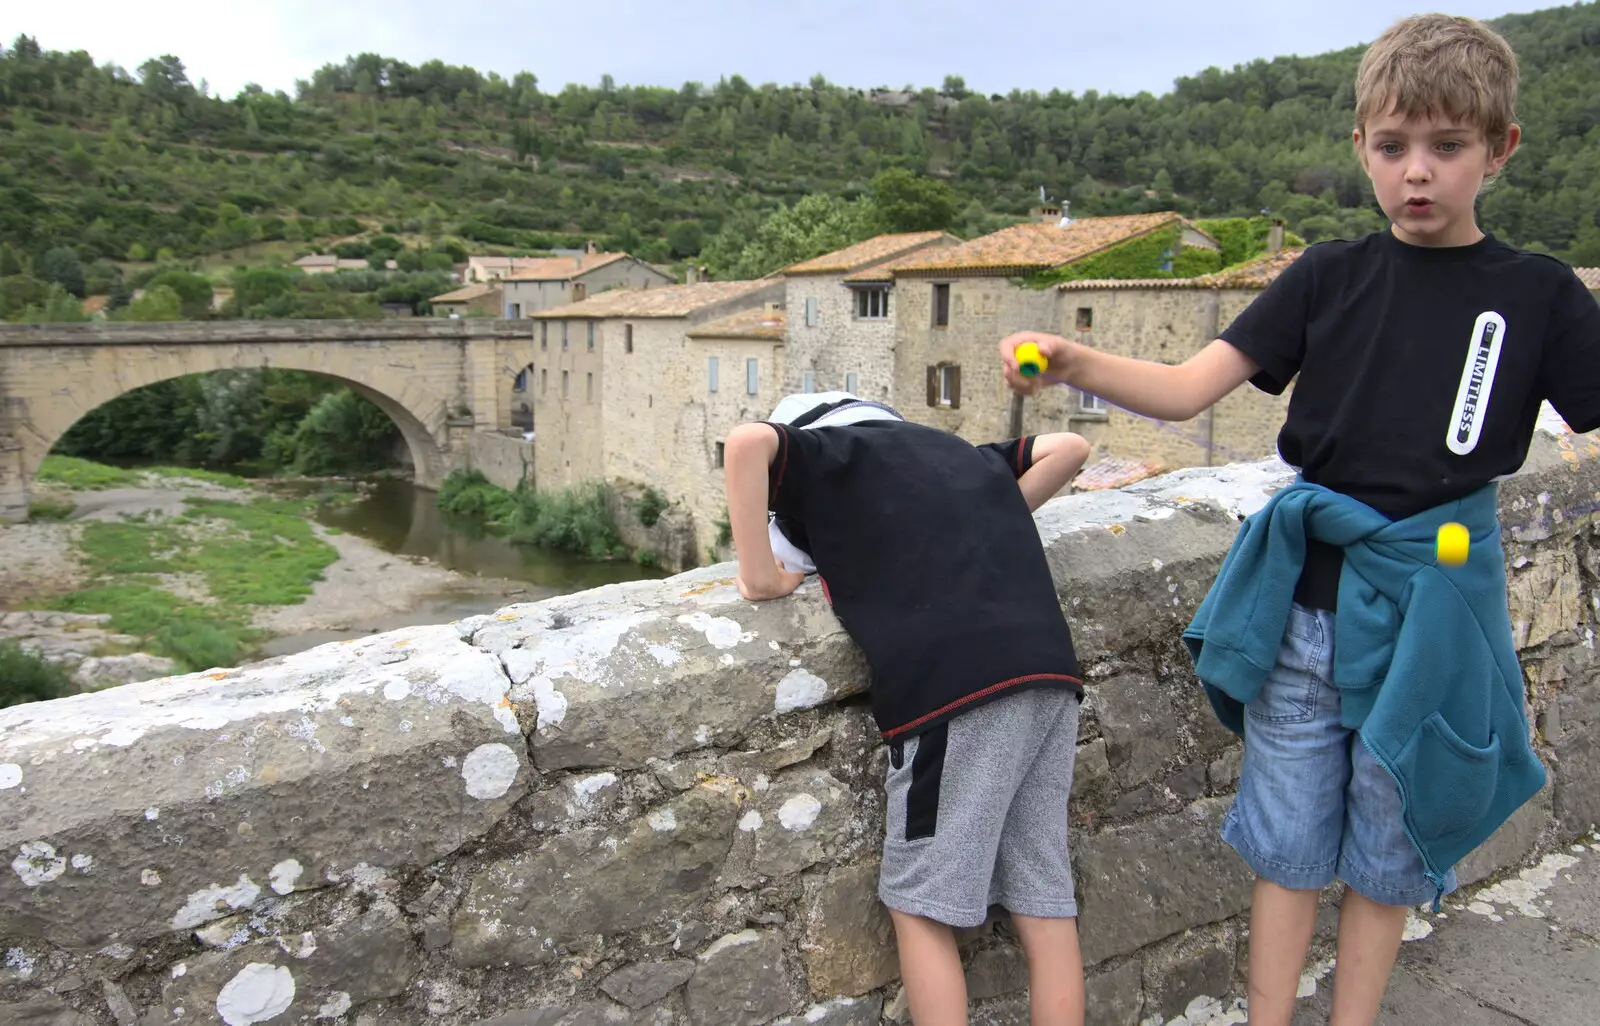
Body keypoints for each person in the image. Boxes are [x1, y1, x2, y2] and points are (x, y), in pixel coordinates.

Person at [997, 13, 1600, 1026]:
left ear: (1499, 150)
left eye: (1447, 148)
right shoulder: (1325, 274)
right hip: (1303, 616)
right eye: (1392, 145)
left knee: (1387, 844)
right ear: (1360, 145)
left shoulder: (1537, 295)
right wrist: (1073, 360)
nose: (1417, 171)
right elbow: (1190, 388)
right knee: (1284, 843)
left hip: (1435, 614)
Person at [721, 391, 1092, 1026]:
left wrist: (760, 578)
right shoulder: (953, 454)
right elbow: (1072, 447)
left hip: (958, 693)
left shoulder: (831, 453)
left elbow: (746, 442)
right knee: (1042, 895)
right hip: (1051, 677)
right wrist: (987, 515)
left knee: (920, 907)